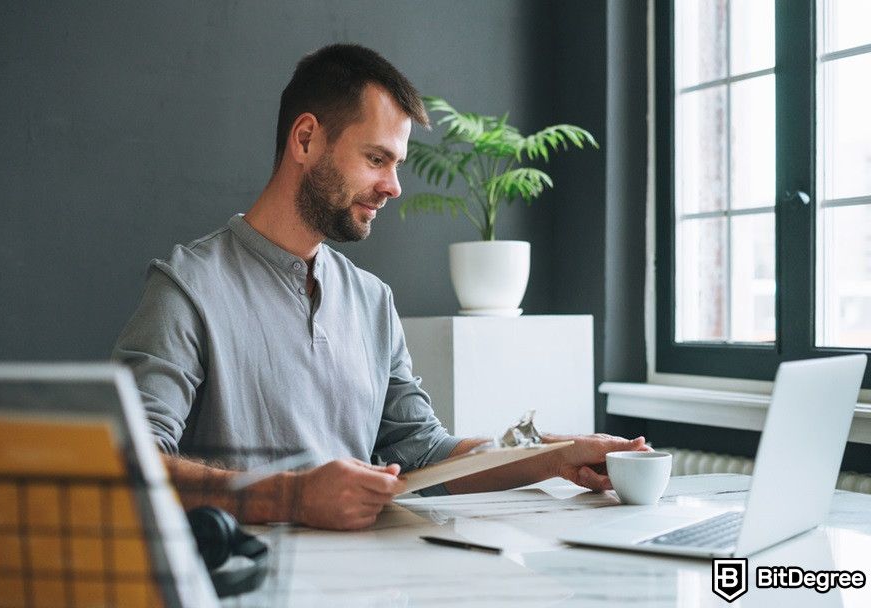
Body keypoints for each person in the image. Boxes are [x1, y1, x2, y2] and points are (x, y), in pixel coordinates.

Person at [113, 43, 648, 531]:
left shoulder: (372, 300)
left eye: (397, 164)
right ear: (305, 139)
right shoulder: (186, 287)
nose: (393, 186)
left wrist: (558, 455)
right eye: (376, 158)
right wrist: (294, 498)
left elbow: (424, 451)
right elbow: (129, 464)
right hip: (243, 581)